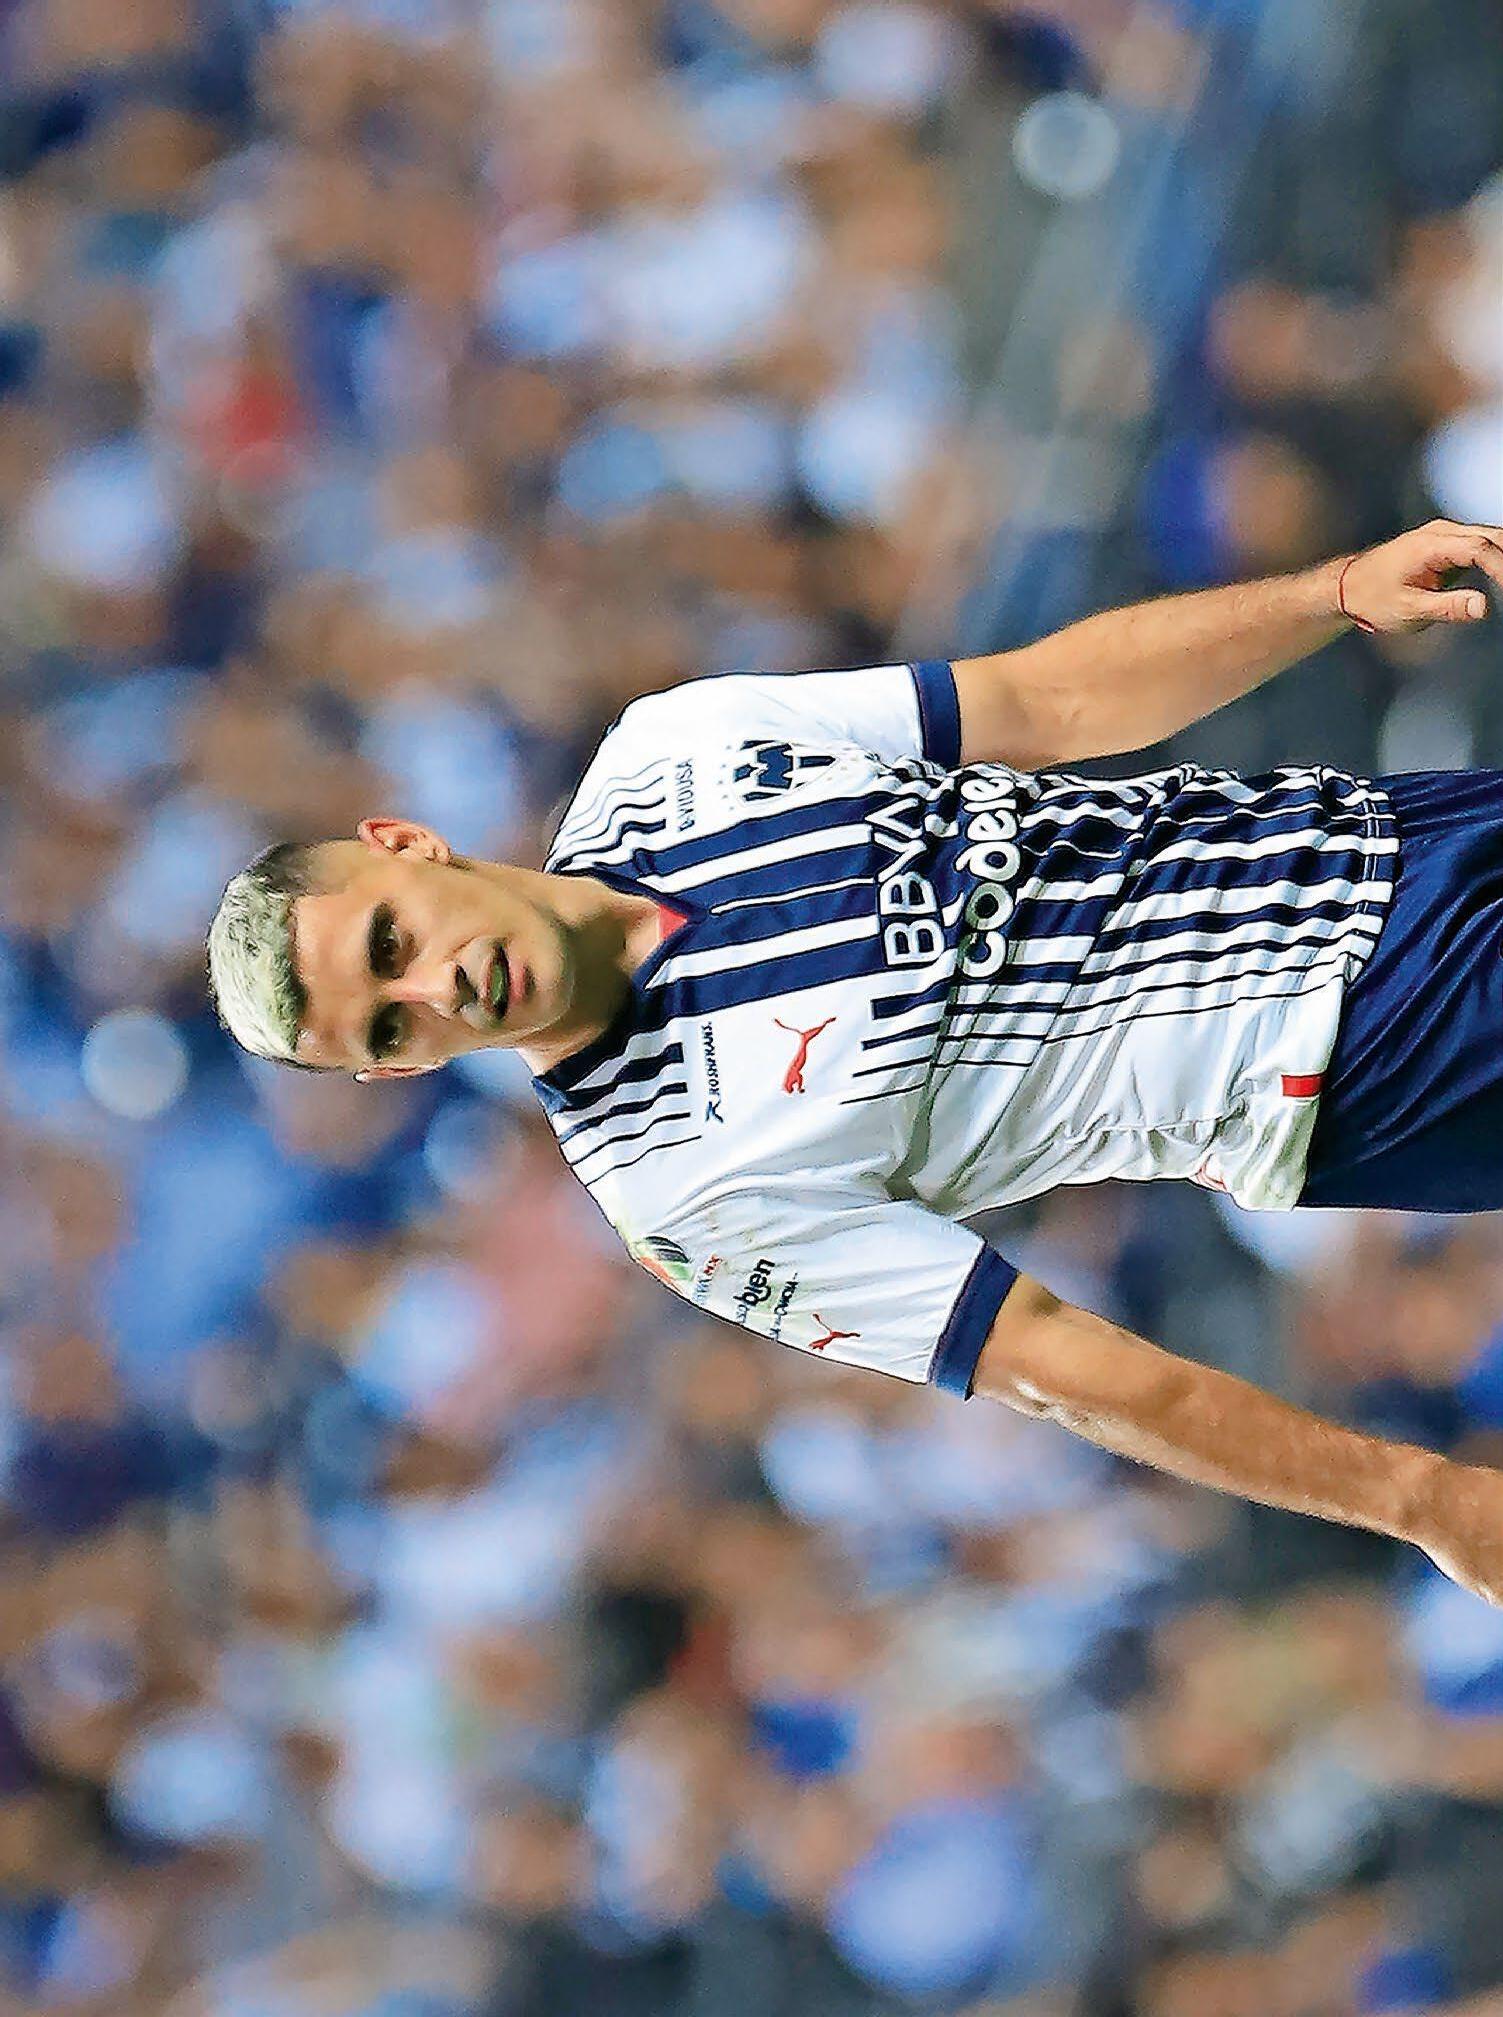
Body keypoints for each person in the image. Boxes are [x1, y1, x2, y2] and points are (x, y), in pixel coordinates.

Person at [208, 520, 1503, 1606]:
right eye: (390, 1026)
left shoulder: (673, 749)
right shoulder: (680, 1192)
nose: (432, 988)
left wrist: (1332, 593)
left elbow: (1045, 700)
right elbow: (1054, 1363)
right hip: (1359, 1052)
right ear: (396, 1073)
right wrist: (1423, 1500)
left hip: (1385, 832)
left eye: (390, 943)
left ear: (406, 843)